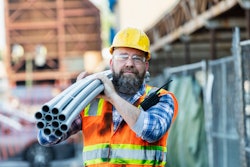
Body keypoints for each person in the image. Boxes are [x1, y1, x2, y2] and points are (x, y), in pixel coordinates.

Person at [37, 27, 178, 167]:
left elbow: (152, 132)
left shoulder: (162, 98)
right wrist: (77, 96)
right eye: (123, 57)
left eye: (137, 58)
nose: (129, 63)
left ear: (146, 66)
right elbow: (47, 138)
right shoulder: (92, 101)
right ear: (111, 63)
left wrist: (112, 97)